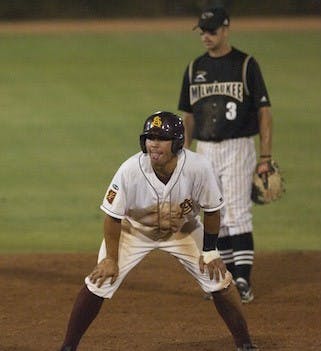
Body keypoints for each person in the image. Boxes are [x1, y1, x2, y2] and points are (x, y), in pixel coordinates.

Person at [59, 111, 258, 351]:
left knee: (220, 281)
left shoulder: (198, 168)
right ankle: (68, 347)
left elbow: (212, 210)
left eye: (161, 138)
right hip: (134, 231)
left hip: (183, 229)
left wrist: (210, 251)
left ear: (177, 142)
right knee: (99, 281)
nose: (153, 143)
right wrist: (111, 259)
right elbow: (112, 217)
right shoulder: (130, 170)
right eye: (149, 137)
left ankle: (245, 344)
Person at [178, 7, 273, 303]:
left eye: (212, 31)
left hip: (238, 146)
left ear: (226, 28)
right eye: (203, 31)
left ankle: (242, 280)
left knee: (236, 211)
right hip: (205, 149)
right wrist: (182, 154)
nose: (206, 36)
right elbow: (189, 116)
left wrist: (265, 157)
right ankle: (224, 276)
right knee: (210, 211)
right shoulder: (195, 69)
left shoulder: (245, 65)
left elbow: (264, 112)